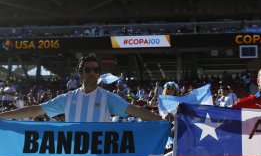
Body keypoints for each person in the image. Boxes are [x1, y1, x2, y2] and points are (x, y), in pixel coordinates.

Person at [0, 55, 163, 122]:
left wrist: (161, 121)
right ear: (80, 73)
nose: (92, 72)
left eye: (96, 70)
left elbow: (135, 110)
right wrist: (2, 116)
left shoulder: (108, 97)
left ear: (99, 74)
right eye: (88, 69)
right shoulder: (68, 98)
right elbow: (34, 110)